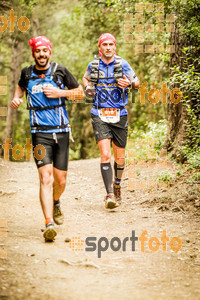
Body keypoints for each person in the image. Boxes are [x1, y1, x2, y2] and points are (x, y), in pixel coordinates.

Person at [10, 36, 84, 241]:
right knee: (45, 177)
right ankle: (48, 222)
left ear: (49, 52)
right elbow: (20, 87)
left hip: (61, 131)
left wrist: (59, 92)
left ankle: (56, 201)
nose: (41, 54)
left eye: (45, 51)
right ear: (33, 54)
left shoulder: (61, 71)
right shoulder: (26, 73)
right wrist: (17, 97)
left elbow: (80, 94)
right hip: (39, 133)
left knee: (60, 180)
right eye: (38, 51)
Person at [82, 33, 139, 209]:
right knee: (106, 154)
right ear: (100, 47)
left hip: (119, 113)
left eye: (110, 44)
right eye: (104, 44)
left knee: (119, 157)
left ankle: (117, 185)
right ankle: (109, 195)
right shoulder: (93, 65)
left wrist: (128, 84)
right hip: (99, 113)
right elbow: (85, 78)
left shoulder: (123, 64)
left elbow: (137, 83)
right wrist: (88, 87)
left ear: (115, 47)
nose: (107, 47)